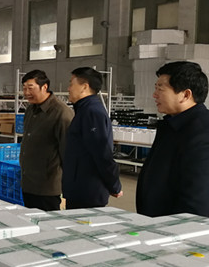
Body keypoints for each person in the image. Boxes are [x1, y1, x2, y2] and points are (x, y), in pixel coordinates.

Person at [136, 61, 209, 217]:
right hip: (158, 222)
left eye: (160, 89)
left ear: (186, 95)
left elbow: (198, 197)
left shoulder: (202, 132)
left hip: (177, 227)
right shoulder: (172, 124)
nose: (154, 95)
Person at [62, 67, 123, 209]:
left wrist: (114, 185)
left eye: (71, 84)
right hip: (79, 189)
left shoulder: (92, 113)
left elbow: (102, 153)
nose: (68, 89)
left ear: (84, 87)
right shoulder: (84, 110)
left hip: (88, 192)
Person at [19, 70, 74, 211]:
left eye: (30, 88)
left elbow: (68, 152)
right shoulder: (30, 110)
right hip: (29, 182)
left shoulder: (61, 113)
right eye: (24, 88)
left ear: (44, 87)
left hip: (47, 187)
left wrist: (68, 185)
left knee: (47, 221)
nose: (26, 92)